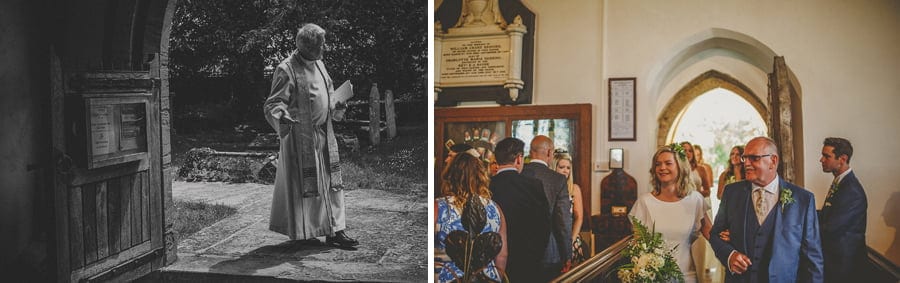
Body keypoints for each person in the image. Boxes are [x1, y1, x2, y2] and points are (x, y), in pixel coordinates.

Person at [263, 23, 358, 248]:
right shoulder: (286, 69)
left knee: (332, 185)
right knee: (306, 188)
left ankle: (336, 230)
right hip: (300, 139)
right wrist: (281, 116)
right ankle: (308, 231)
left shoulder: (320, 65)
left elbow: (328, 94)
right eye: (321, 44)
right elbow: (274, 103)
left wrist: (337, 104)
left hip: (324, 134)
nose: (325, 48)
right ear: (308, 46)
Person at [710, 136, 824, 282]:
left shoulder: (803, 199)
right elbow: (715, 234)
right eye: (745, 158)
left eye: (754, 158)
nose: (746, 164)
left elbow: (812, 256)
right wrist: (730, 255)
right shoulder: (732, 193)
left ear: (773, 161)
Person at [630, 144, 712, 283]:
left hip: (685, 275)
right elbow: (638, 244)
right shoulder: (644, 202)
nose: (662, 168)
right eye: (658, 164)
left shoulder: (695, 200)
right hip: (654, 278)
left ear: (680, 167)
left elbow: (711, 233)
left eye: (668, 163)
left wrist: (733, 250)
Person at [435, 152, 508, 282]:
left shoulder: (438, 207)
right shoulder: (495, 209)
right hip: (485, 278)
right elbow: (502, 255)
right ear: (481, 177)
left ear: (449, 176)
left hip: (448, 278)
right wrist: (496, 277)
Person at [489, 137, 550, 282]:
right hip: (527, 262)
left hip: (493, 262)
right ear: (518, 159)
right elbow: (545, 226)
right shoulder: (534, 185)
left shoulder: (487, 186)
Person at [521, 135, 571, 280]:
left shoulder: (519, 174)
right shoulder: (558, 179)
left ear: (531, 152)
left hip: (520, 249)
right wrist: (567, 255)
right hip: (549, 251)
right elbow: (563, 221)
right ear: (549, 152)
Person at [819, 137, 867, 283]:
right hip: (835, 259)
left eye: (827, 156)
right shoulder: (841, 182)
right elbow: (827, 213)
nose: (821, 160)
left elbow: (832, 227)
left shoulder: (852, 191)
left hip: (843, 264)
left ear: (842, 159)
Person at [552, 149, 587, 266]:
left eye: (568, 168)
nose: (565, 171)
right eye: (561, 167)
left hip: (571, 238)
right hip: (552, 240)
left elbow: (579, 218)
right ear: (554, 167)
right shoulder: (549, 187)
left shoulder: (574, 189)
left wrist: (571, 240)